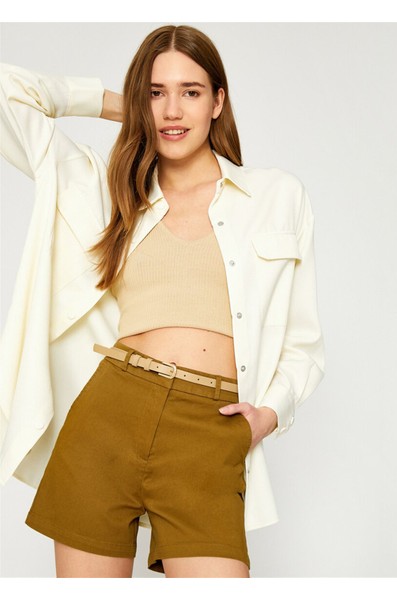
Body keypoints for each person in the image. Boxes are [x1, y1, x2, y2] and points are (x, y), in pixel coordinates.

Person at [0, 24, 325, 578]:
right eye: (156, 93)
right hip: (108, 418)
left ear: (218, 101)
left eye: (190, 92)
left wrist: (266, 416)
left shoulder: (275, 196)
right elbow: (10, 93)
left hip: (208, 429)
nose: (172, 110)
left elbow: (303, 341)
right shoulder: (109, 191)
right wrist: (121, 107)